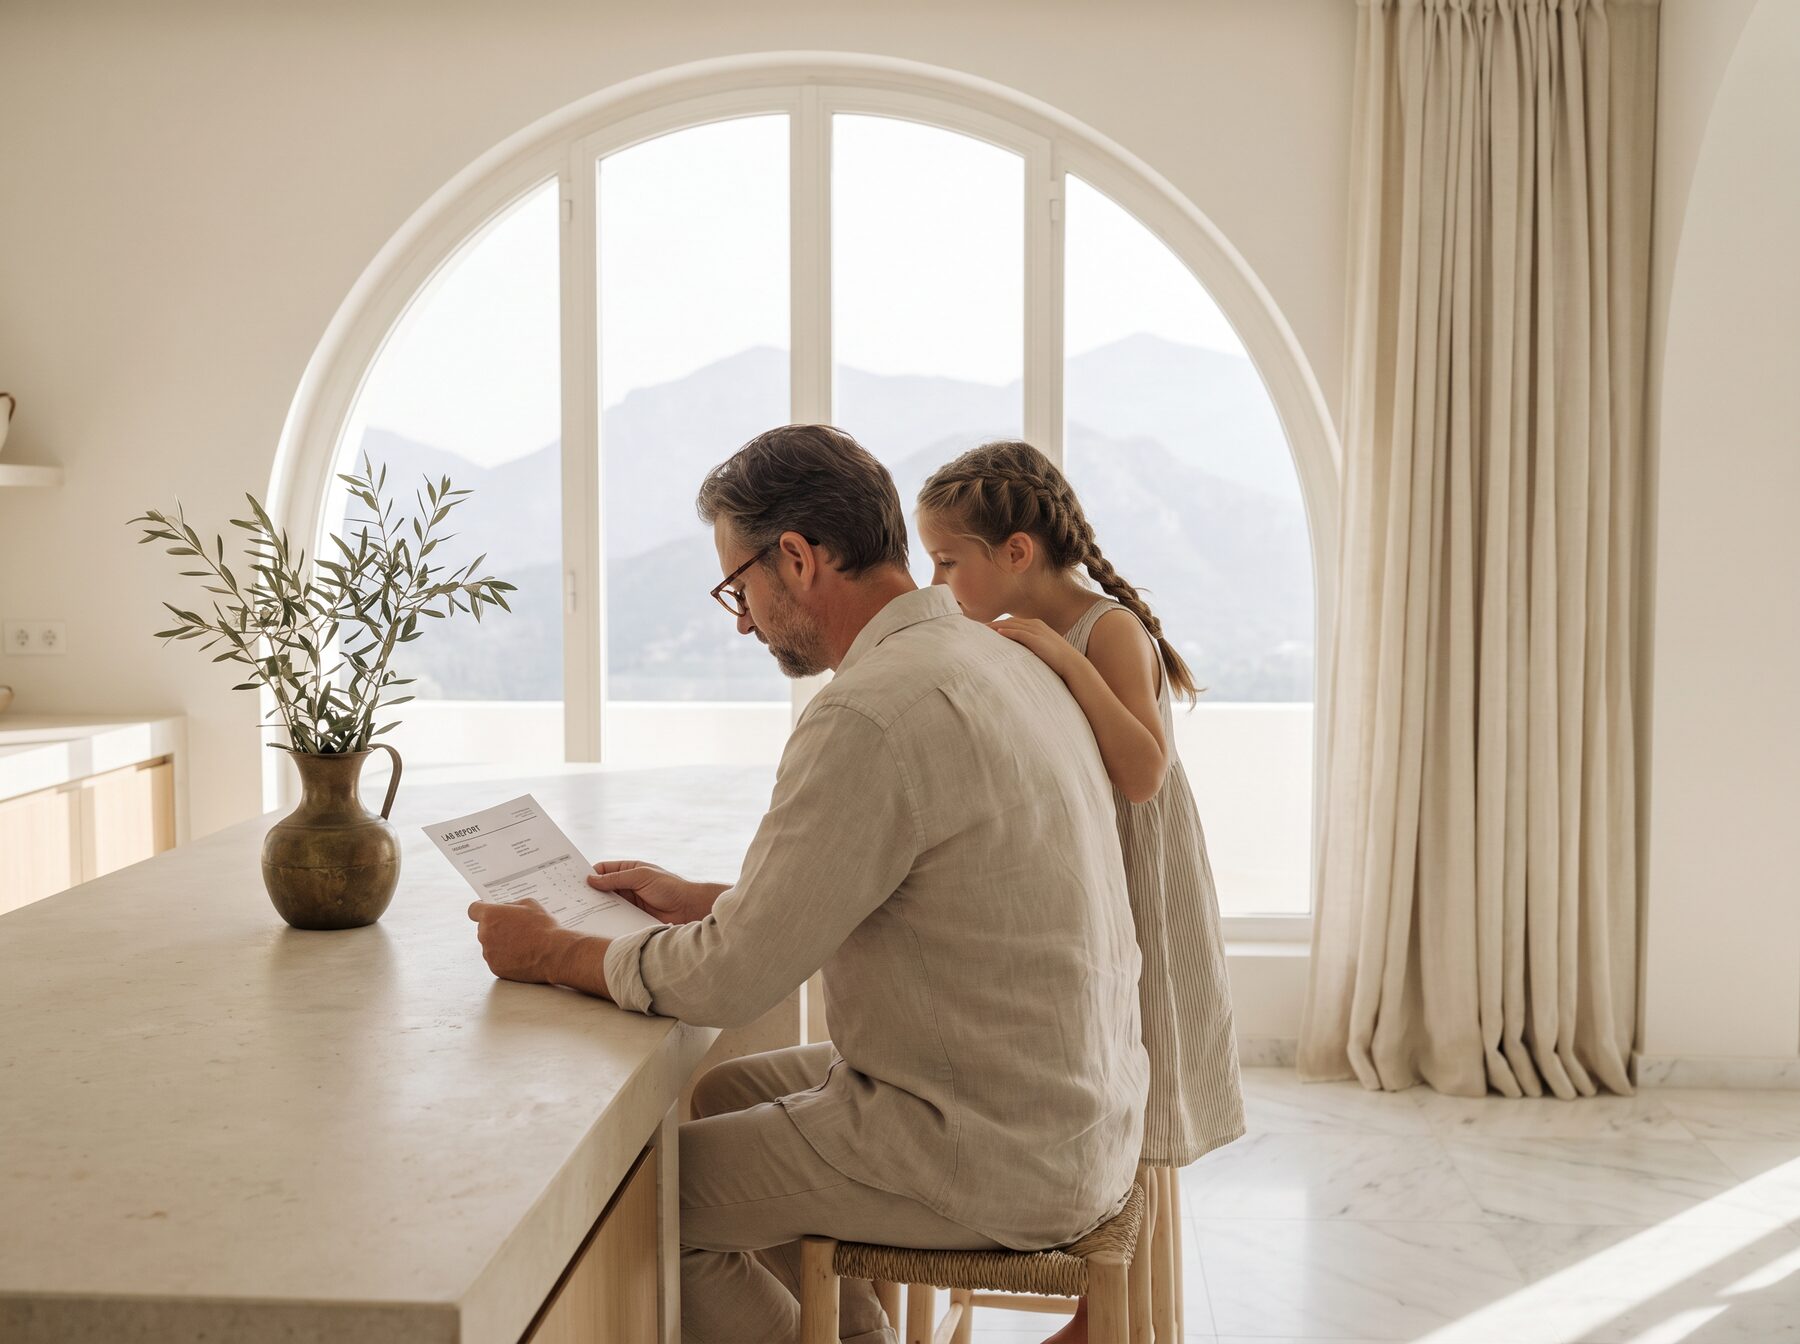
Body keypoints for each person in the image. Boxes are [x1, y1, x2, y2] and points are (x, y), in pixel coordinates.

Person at [467, 425, 1147, 1344]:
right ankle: (852, 1334)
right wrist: (710, 898)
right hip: (1070, 1113)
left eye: (737, 587)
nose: (741, 618)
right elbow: (912, 885)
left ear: (795, 558)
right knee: (719, 1096)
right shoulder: (998, 661)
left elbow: (732, 980)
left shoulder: (871, 709)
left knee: (643, 1208)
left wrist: (554, 952)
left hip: (989, 1151)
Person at [917, 439, 1245, 1343]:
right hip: (1084, 866)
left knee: (1135, 1073)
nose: (937, 580)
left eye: (948, 561)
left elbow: (1143, 772)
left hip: (1138, 871)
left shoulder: (1106, 630)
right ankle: (1105, 1307)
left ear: (1015, 553)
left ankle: (1108, 1314)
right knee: (1103, 1069)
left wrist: (1062, 664)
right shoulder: (1011, 631)